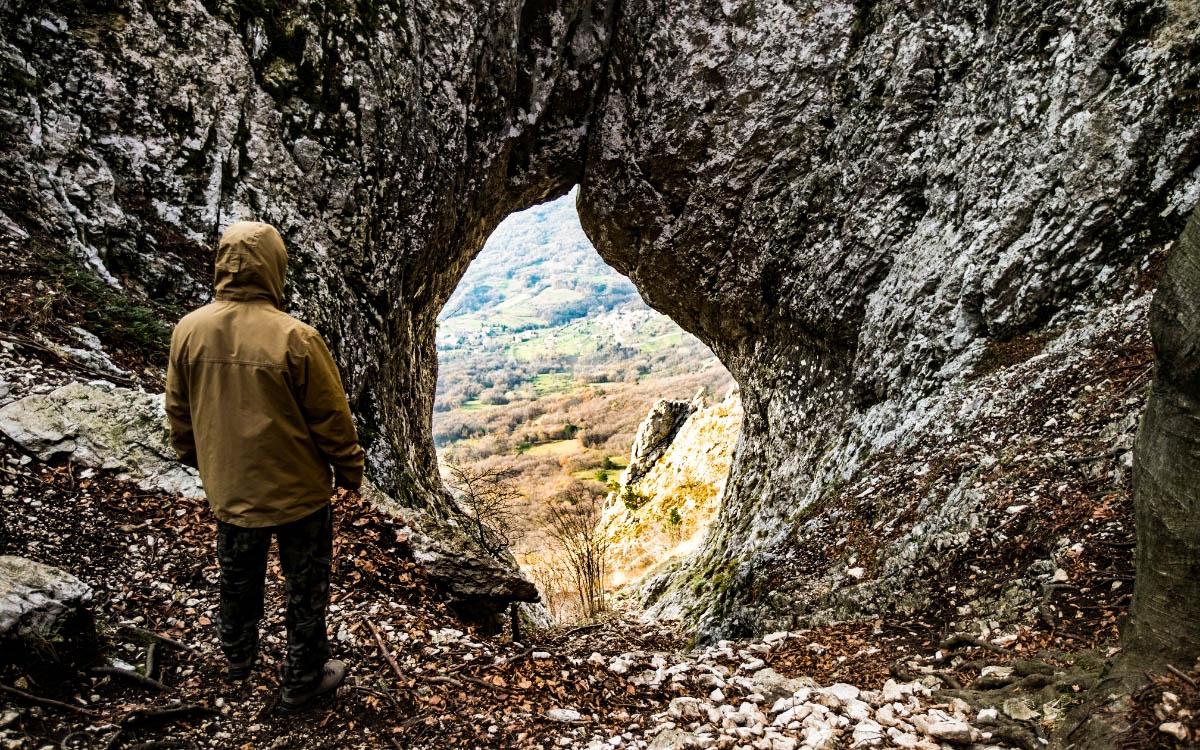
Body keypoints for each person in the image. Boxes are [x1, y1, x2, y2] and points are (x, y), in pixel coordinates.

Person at [165, 221, 365, 711]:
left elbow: (179, 408)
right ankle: (303, 678)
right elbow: (331, 418)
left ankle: (237, 658)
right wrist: (349, 471)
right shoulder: (296, 338)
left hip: (230, 488)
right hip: (299, 492)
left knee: (236, 574)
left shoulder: (189, 330)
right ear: (275, 267)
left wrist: (197, 457)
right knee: (306, 586)